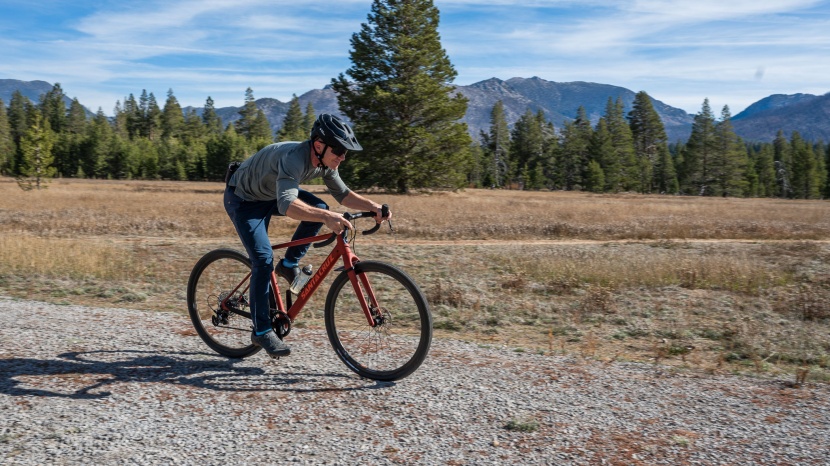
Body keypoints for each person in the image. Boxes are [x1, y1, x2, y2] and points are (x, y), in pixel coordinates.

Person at [224, 114, 390, 358]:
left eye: (346, 152)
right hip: (243, 199)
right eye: (340, 150)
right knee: (262, 258)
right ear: (319, 145)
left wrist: (373, 206)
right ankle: (261, 330)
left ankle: (289, 265)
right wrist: (326, 219)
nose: (343, 157)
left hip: (270, 195)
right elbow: (287, 206)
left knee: (321, 209)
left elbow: (343, 194)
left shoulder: (325, 163)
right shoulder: (294, 158)